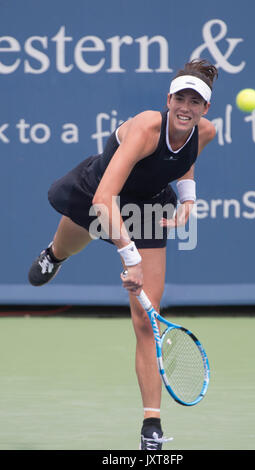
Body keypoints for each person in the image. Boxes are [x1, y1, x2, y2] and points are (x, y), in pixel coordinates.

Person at [28, 58, 218, 450]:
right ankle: (55, 255)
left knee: (147, 320)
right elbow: (103, 200)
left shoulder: (205, 132)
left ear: (205, 109)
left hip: (148, 205)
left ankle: (151, 425)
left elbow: (184, 162)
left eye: (195, 102)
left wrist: (187, 199)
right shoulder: (148, 127)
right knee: (70, 242)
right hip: (99, 191)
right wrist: (129, 258)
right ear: (168, 99)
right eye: (180, 98)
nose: (186, 107)